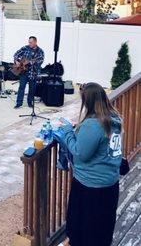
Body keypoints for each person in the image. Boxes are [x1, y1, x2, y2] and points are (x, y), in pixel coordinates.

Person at [59, 83, 123, 246]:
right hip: (110, 185)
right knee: (102, 228)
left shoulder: (94, 124)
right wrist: (80, 129)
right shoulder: (114, 119)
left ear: (88, 102)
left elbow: (80, 153)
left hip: (90, 188)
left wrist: (67, 131)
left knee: (84, 229)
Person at [13, 36, 45, 108]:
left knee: (32, 88)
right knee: (21, 87)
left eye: (31, 42)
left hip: (33, 72)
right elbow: (16, 54)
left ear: (35, 42)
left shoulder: (40, 51)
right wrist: (17, 61)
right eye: (29, 42)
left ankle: (30, 102)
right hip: (23, 71)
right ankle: (19, 103)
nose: (29, 43)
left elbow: (40, 61)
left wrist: (30, 62)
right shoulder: (25, 48)